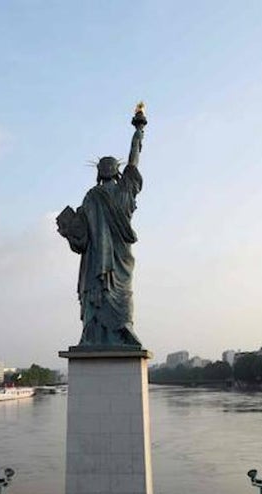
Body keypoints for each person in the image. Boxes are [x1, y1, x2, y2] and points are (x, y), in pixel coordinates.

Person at [58, 106, 146, 347]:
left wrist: (69, 229)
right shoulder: (124, 190)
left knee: (96, 296)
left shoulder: (91, 196)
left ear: (98, 173)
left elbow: (82, 239)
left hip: (97, 261)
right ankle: (121, 331)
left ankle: (94, 335)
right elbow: (134, 159)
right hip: (119, 261)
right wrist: (139, 130)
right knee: (123, 296)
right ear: (118, 173)